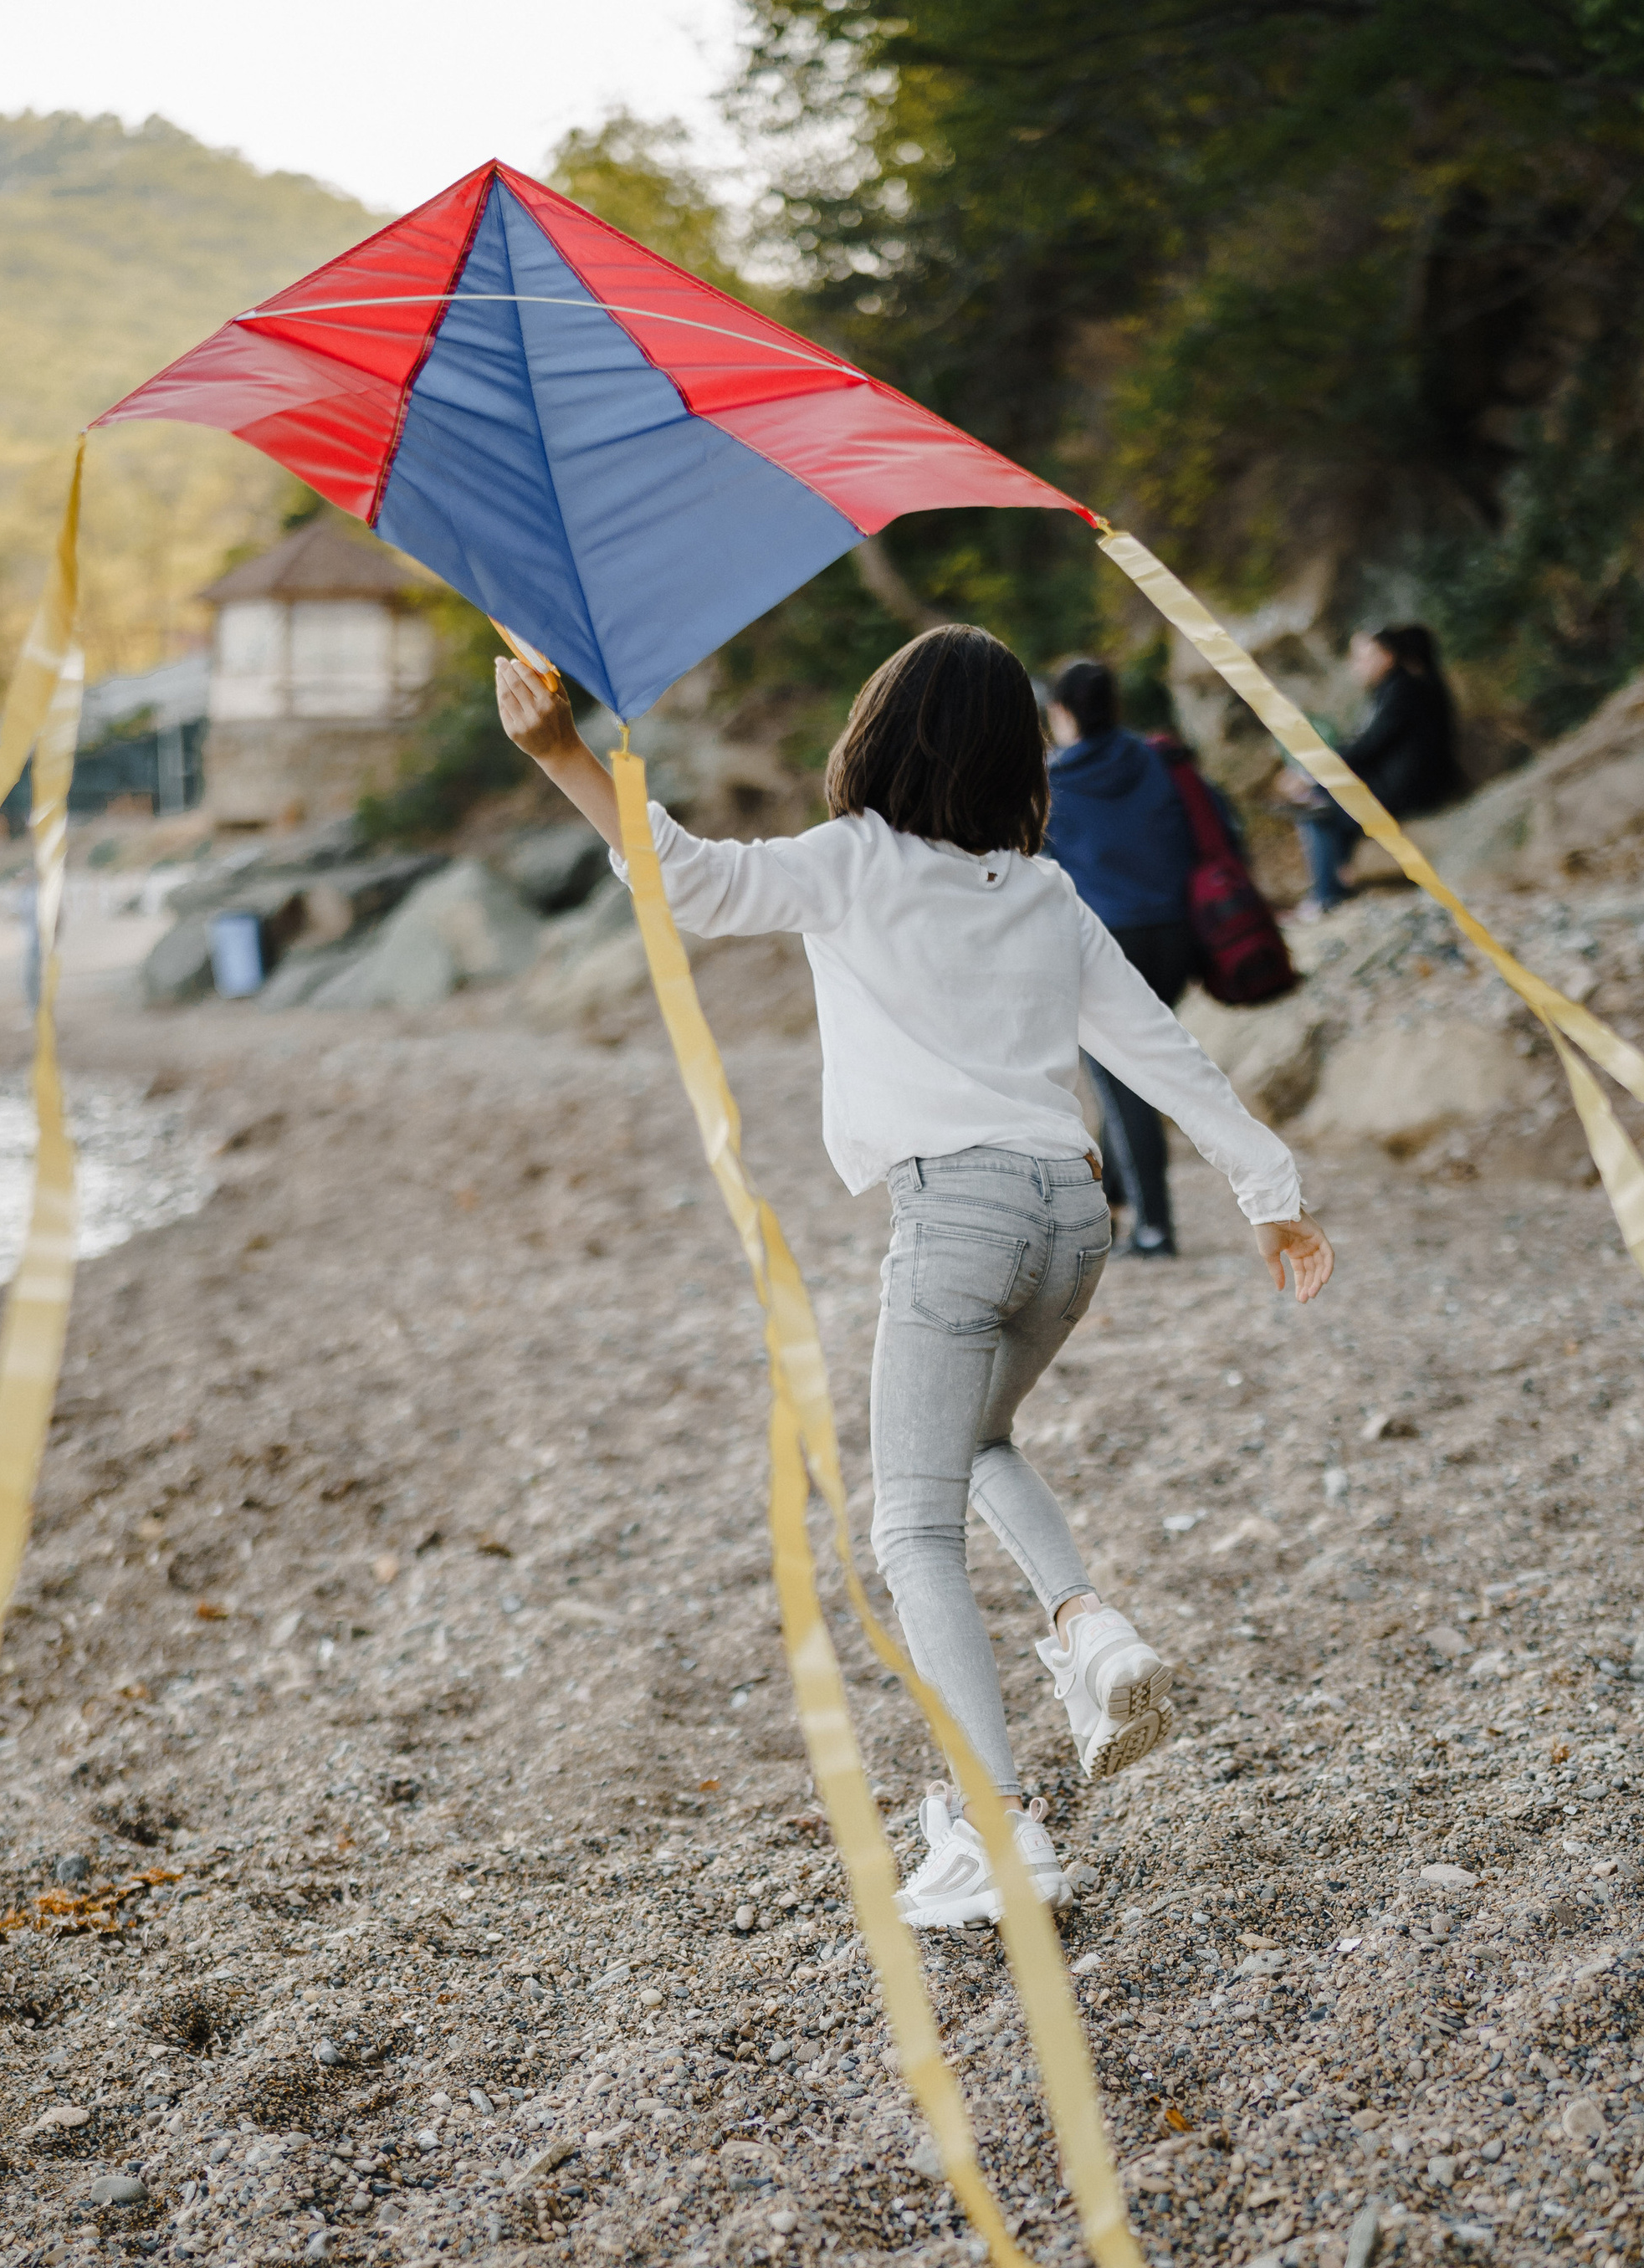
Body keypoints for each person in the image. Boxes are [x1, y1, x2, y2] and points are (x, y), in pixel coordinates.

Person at [494, 627, 1332, 1929]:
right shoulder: (1046, 894)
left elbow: (689, 885)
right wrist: (1268, 1196)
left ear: (876, 735)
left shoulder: (855, 865)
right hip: (1075, 1215)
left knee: (909, 1528)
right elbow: (1158, 1049)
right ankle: (1089, 1628)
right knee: (977, 1441)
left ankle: (999, 1828)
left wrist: (561, 753)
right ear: (1015, 759)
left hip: (958, 1216)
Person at [1042, 656, 1244, 1258]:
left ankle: (1154, 1228)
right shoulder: (1160, 759)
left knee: (1122, 1083)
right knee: (1127, 1069)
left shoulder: (1051, 785)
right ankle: (1115, 1202)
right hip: (1179, 936)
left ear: (1060, 713)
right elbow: (1219, 829)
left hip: (1107, 945)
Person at [1278, 623, 1465, 918]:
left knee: (1318, 805)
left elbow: (1368, 746)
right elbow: (1364, 745)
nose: (1355, 666)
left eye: (1363, 657)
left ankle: (1327, 895)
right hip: (1401, 783)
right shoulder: (1393, 690)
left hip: (1407, 789)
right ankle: (1335, 883)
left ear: (1387, 656)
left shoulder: (1402, 690)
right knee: (1321, 798)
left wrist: (1309, 773)